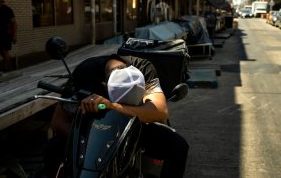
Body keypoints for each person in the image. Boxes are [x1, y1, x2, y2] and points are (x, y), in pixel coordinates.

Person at [43, 54, 189, 178]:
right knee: (52, 148)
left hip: (133, 127)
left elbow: (160, 112)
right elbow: (58, 121)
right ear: (104, 85)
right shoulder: (86, 72)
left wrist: (113, 106)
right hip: (91, 134)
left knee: (178, 147)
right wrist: (86, 142)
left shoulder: (144, 68)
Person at [0, 0, 18, 72]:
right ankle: (11, 60)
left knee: (5, 51)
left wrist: (14, 35)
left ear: (1, 2)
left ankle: (5, 69)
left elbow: (14, 23)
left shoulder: (7, 10)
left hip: (6, 34)